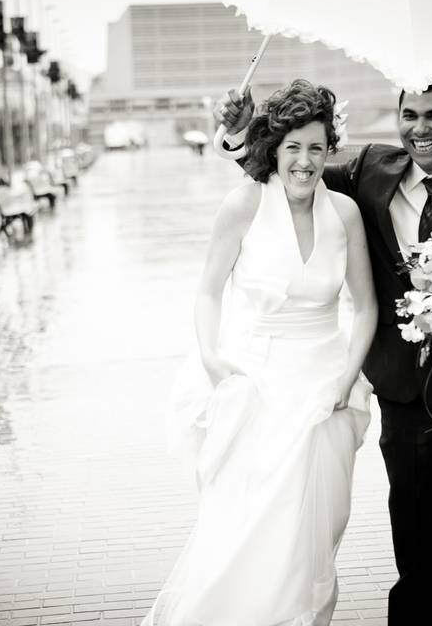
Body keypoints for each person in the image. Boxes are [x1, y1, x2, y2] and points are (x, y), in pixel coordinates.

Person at [216, 76, 432, 626]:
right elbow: (293, 171)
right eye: (410, 114)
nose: (421, 128)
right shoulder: (371, 171)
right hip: (407, 393)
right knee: (418, 547)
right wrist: (239, 135)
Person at [143, 80, 378, 625]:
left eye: (316, 148)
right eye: (293, 147)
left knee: (314, 539)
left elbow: (364, 307)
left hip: (325, 391)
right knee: (247, 533)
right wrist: (211, 358)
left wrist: (347, 378)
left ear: (329, 150)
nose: (304, 161)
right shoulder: (245, 203)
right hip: (256, 387)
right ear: (275, 149)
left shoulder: (343, 213)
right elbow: (207, 291)